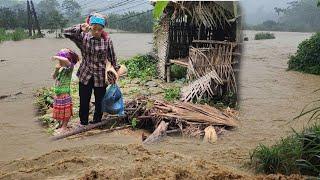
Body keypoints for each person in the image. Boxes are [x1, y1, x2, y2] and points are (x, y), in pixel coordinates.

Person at [63, 13, 120, 126]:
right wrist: (80, 27)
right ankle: (83, 122)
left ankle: (96, 122)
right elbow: (66, 32)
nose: (97, 32)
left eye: (100, 29)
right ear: (90, 27)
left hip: (100, 76)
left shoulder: (107, 40)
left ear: (103, 28)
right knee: (84, 100)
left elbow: (112, 58)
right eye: (94, 29)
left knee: (99, 101)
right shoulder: (83, 38)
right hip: (85, 74)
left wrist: (114, 73)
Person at [52, 48, 79, 133]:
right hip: (58, 92)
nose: (59, 61)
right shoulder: (61, 69)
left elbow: (67, 61)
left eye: (60, 59)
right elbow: (53, 77)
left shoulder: (69, 68)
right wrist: (56, 69)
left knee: (66, 112)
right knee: (60, 111)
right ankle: (61, 124)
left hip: (65, 93)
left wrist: (56, 57)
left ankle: (64, 127)